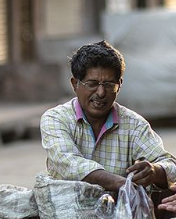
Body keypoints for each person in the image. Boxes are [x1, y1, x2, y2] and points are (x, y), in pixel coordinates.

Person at [40, 40, 176, 193]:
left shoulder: (135, 125)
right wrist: (123, 184)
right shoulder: (56, 118)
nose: (101, 93)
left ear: (119, 85)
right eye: (92, 84)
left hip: (121, 215)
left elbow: (170, 165)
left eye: (109, 85)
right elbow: (68, 163)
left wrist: (155, 171)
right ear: (74, 84)